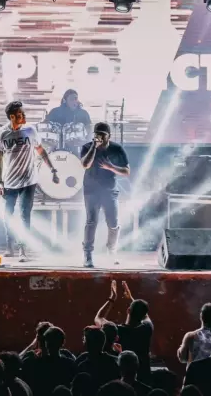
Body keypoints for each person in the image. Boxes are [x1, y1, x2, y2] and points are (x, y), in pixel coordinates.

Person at [0, 100, 59, 261]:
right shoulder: (1, 134)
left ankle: (22, 249)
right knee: (8, 215)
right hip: (9, 181)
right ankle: (9, 247)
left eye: (23, 113)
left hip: (29, 181)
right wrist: (0, 182)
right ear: (12, 117)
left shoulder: (30, 130)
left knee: (24, 215)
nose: (24, 116)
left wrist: (52, 169)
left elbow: (41, 150)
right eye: (20, 114)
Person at [80, 122, 130, 268]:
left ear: (109, 136)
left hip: (109, 190)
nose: (99, 137)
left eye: (102, 134)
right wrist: (93, 148)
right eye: (97, 134)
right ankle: (88, 254)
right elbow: (85, 165)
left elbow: (127, 171)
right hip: (91, 190)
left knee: (113, 223)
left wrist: (111, 167)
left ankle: (111, 250)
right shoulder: (87, 147)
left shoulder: (116, 149)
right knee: (91, 222)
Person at [95, 281, 153, 383]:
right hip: (143, 380)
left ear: (128, 310)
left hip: (122, 381)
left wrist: (112, 298)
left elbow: (98, 318)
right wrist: (131, 298)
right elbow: (145, 315)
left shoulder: (116, 330)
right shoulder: (147, 328)